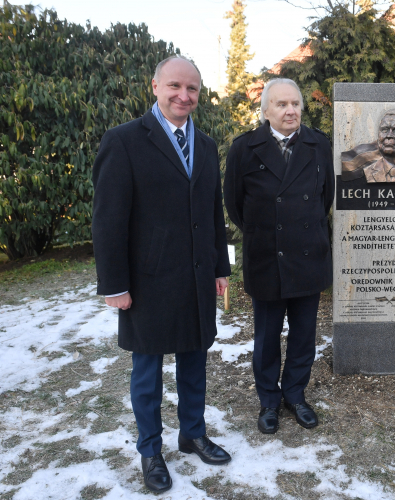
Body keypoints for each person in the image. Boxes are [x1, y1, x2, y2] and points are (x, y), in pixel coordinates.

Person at [92, 55, 232, 494]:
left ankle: (192, 433)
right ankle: (150, 450)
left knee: (195, 361)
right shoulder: (124, 141)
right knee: (147, 374)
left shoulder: (206, 146)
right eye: (174, 86)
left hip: (194, 277)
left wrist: (220, 268)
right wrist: (115, 285)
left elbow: (213, 211)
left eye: (192, 89)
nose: (183, 96)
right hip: (147, 281)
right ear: (154, 86)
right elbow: (108, 220)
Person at [224, 78, 334, 434]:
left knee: (304, 336)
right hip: (266, 258)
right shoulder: (245, 148)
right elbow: (234, 204)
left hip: (307, 256)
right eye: (281, 105)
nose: (290, 111)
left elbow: (324, 199)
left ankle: (296, 395)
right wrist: (266, 233)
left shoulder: (319, 144)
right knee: (267, 338)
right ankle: (269, 401)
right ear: (266, 110)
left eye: (296, 104)